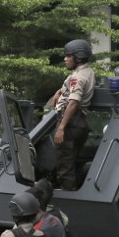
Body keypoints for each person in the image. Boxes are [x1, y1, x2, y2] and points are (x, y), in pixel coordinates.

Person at [49, 39, 95, 190]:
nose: (65, 59)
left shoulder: (78, 77)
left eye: (69, 55)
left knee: (64, 168)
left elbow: (73, 102)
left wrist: (61, 127)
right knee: (71, 164)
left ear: (79, 58)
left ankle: (67, 203)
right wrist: (59, 91)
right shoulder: (87, 72)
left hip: (70, 123)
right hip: (79, 122)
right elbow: (70, 87)